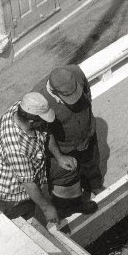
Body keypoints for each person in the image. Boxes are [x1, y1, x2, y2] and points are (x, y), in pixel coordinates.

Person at [0, 92, 76, 228]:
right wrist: (47, 208)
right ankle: (46, 220)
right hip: (14, 197)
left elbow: (46, 131)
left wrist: (60, 157)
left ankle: (60, 209)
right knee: (33, 226)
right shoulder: (15, 147)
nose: (45, 123)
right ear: (31, 121)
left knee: (68, 170)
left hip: (36, 170)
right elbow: (29, 184)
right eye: (42, 120)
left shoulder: (21, 108)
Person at [33, 65, 103, 216]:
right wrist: (59, 156)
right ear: (54, 90)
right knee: (70, 172)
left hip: (87, 133)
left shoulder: (76, 72)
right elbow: (45, 132)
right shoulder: (40, 99)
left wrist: (90, 119)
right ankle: (74, 199)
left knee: (92, 160)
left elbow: (87, 93)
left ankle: (96, 185)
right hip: (65, 146)